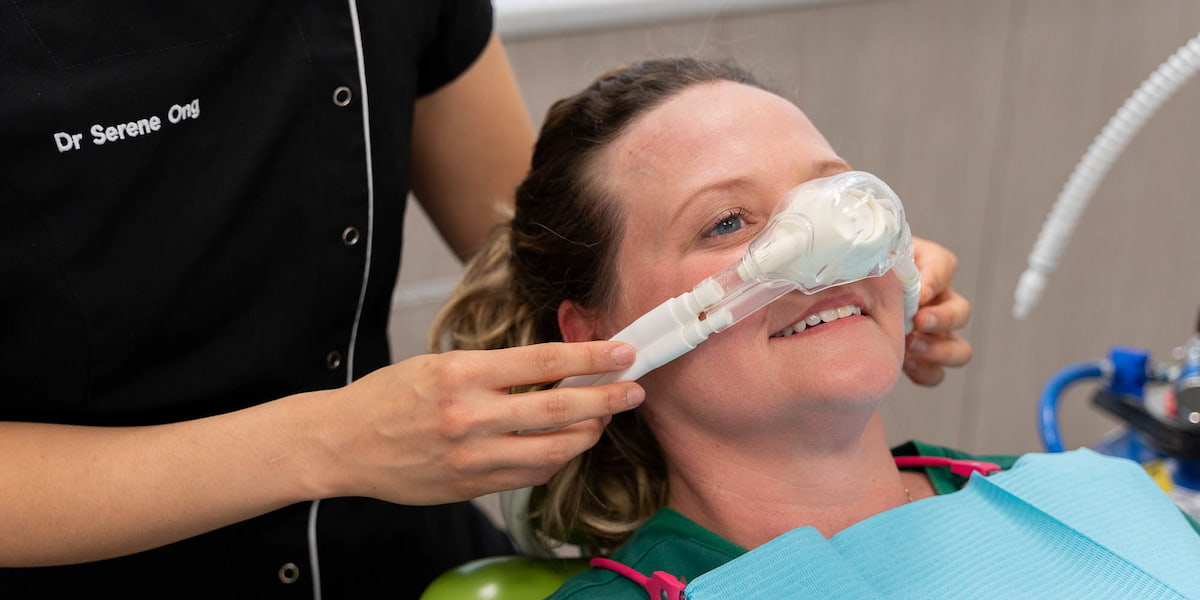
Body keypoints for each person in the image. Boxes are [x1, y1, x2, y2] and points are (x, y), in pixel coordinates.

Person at [0, 3, 969, 598]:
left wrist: (837, 278)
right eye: (729, 227)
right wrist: (327, 442)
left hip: (392, 554)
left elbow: (548, 246)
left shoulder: (1057, 501)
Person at [430, 57, 1200, 598]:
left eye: (840, 200)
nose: (835, 252)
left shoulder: (1101, 495)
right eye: (729, 222)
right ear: (597, 333)